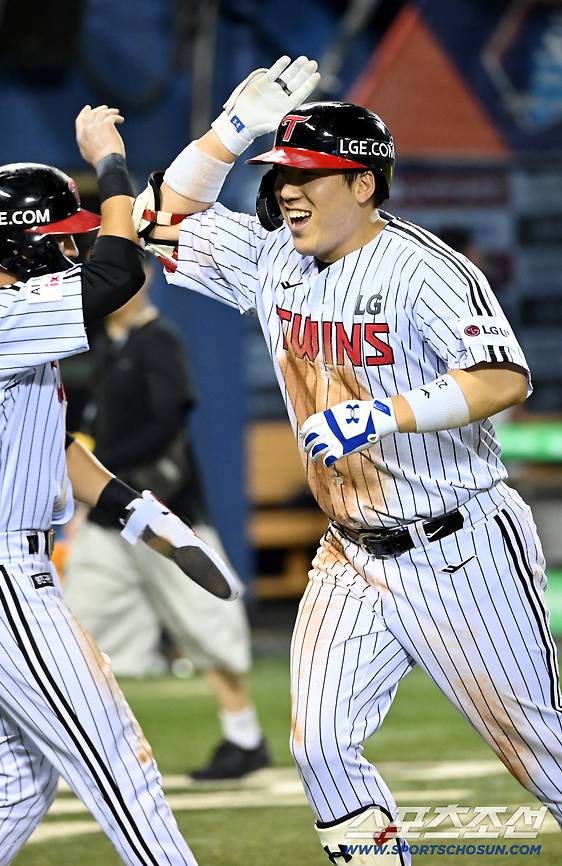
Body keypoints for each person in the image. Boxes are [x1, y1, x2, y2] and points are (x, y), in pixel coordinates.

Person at [133, 56, 562, 864]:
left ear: (364, 184)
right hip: (350, 552)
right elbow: (161, 214)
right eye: (282, 173)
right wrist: (232, 131)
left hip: (459, 547)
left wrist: (386, 412)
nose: (288, 189)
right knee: (320, 745)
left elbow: (503, 377)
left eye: (311, 174)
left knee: (545, 756)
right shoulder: (275, 259)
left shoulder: (424, 268)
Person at [0, 104, 239, 866]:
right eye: (60, 239)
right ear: (18, 243)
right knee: (119, 764)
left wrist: (146, 519)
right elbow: (118, 271)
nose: (71, 251)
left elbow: (53, 452)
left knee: (13, 785)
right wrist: (113, 162)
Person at [63, 271, 270, 780]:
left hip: (162, 508)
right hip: (109, 516)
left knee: (205, 623)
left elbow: (166, 422)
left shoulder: (160, 339)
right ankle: (45, 734)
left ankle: (244, 737)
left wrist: (98, 463)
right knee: (73, 625)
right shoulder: (106, 342)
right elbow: (91, 420)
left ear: (145, 280)